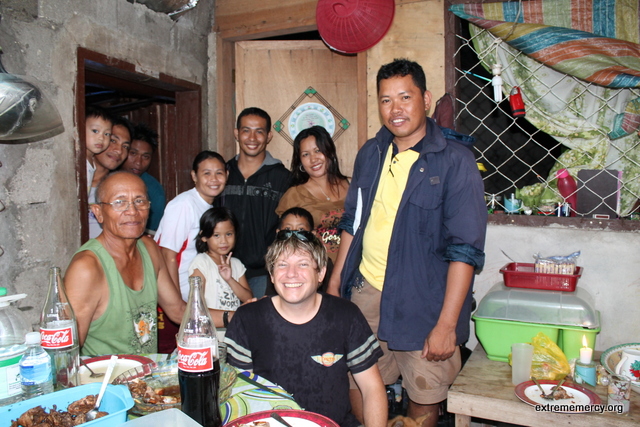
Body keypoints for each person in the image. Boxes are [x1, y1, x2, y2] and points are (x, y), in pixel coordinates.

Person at [327, 58, 487, 427]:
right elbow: (354, 219)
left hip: (425, 301)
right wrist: (335, 285)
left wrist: (447, 324)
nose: (395, 109)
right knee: (360, 379)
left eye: (404, 97)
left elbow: (465, 248)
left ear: (426, 99)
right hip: (366, 291)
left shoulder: (454, 161)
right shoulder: (371, 152)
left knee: (425, 392)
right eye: (386, 100)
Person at [225, 230, 387, 427]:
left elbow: (371, 388)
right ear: (272, 275)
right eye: (282, 265)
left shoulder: (346, 315)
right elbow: (239, 395)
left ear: (321, 273)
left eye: (303, 264)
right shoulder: (247, 319)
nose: (291, 274)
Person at [65, 172, 185, 356]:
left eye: (139, 201)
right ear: (98, 212)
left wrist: (235, 316)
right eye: (120, 202)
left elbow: (177, 310)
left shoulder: (149, 248)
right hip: (105, 381)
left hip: (147, 379)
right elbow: (67, 352)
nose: (132, 211)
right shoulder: (87, 268)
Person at [154, 151, 228, 352]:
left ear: (227, 176)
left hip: (193, 296)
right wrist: (175, 300)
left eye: (219, 173)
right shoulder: (184, 204)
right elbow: (167, 254)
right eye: (206, 173)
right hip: (174, 297)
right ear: (194, 176)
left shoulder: (208, 206)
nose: (213, 179)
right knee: (173, 354)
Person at [222, 107, 292, 299]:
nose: (252, 138)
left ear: (268, 136)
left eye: (259, 131)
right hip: (223, 268)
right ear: (236, 133)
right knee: (226, 326)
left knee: (260, 325)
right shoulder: (222, 173)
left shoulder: (283, 177)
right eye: (246, 130)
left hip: (264, 273)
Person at [276, 125, 349, 264]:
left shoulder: (353, 186)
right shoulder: (294, 195)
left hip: (355, 269)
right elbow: (283, 243)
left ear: (330, 152)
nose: (313, 159)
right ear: (300, 161)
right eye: (305, 154)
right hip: (315, 272)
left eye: (318, 151)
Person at [188, 207, 253, 315]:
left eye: (229, 234)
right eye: (216, 235)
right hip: (211, 329)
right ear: (204, 237)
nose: (224, 241)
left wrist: (230, 280)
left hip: (233, 329)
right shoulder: (201, 262)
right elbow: (197, 304)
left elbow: (248, 298)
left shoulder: (236, 264)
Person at [88, 116, 133, 239]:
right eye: (113, 140)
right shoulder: (73, 184)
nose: (119, 151)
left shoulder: (121, 190)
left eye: (125, 146)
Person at [120, 122, 166, 235]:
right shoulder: (104, 177)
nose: (138, 162)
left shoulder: (154, 190)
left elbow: (152, 233)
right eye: (133, 153)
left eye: (145, 157)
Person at [85, 106, 112, 196]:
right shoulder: (80, 160)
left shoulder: (91, 160)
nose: (101, 138)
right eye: (95, 131)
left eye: (106, 134)